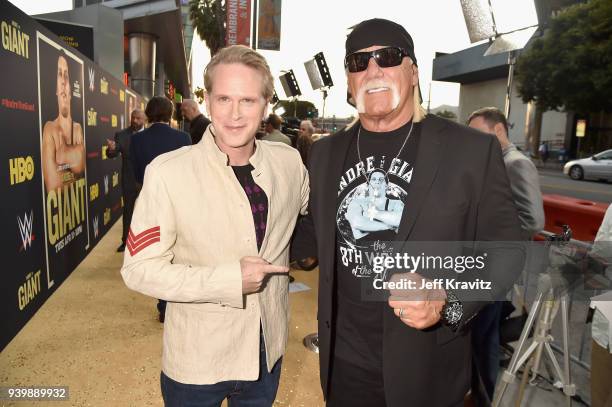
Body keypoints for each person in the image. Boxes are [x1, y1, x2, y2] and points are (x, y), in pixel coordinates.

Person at [291, 18, 524, 407]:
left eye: (388, 56)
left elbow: (509, 250)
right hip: (344, 365)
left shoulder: (470, 150)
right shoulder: (326, 151)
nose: (373, 70)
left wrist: (447, 299)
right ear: (349, 81)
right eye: (358, 62)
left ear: (412, 71)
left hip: (428, 368)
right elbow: (317, 231)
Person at [121, 45, 308, 406]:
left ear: (266, 104)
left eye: (248, 101)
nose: (235, 114)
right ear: (208, 102)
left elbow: (307, 216)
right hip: (196, 363)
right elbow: (138, 270)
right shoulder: (168, 173)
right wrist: (227, 280)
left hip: (265, 355)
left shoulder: (290, 164)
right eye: (224, 99)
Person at [468, 107, 545, 402]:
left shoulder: (516, 163)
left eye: (478, 133)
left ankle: (482, 398)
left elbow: (533, 220)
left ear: (498, 130)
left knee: (485, 339)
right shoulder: (494, 161)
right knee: (480, 338)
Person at [129, 96, 191, 322]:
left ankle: (163, 304)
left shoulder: (137, 140)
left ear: (147, 113)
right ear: (170, 114)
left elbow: (137, 174)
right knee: (176, 253)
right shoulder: (183, 137)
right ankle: (171, 305)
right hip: (180, 202)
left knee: (157, 254)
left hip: (150, 202)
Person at [41, 53, 85, 192]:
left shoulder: (77, 128)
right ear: (56, 89)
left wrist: (64, 154)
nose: (63, 82)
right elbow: (53, 184)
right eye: (60, 74)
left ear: (71, 90)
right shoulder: (50, 128)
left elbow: (81, 165)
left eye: (66, 75)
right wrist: (74, 166)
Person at [106, 109, 146, 252]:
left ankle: (146, 242)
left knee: (148, 211)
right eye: (133, 118)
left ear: (144, 119)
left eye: (138, 118)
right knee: (128, 210)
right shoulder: (121, 135)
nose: (135, 120)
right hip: (129, 179)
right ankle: (125, 241)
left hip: (147, 180)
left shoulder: (150, 135)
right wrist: (111, 149)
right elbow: (113, 153)